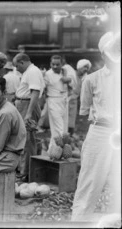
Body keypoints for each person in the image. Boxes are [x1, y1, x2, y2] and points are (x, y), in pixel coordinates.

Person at [71, 32, 121, 222]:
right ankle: (78, 222)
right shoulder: (91, 80)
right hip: (101, 132)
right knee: (90, 182)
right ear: (103, 54)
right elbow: (84, 113)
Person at [13, 53, 45, 181]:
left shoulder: (33, 71)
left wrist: (29, 113)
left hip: (27, 105)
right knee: (25, 139)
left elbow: (35, 92)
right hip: (23, 104)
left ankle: (26, 172)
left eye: (17, 66)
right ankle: (27, 169)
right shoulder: (28, 71)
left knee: (27, 140)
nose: (16, 69)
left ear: (22, 62)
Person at [44, 55, 72, 150]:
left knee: (64, 127)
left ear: (62, 64)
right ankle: (60, 148)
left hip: (64, 100)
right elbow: (42, 87)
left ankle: (53, 149)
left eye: (57, 64)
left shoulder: (65, 72)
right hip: (53, 101)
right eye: (53, 64)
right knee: (58, 126)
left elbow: (73, 85)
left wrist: (68, 80)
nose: (55, 66)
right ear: (50, 64)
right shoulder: (47, 74)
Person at [68, 59, 92, 136]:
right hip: (65, 98)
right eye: (84, 67)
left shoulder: (85, 78)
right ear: (79, 67)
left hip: (74, 99)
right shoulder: (71, 74)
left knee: (72, 117)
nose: (86, 69)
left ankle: (70, 134)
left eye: (87, 67)